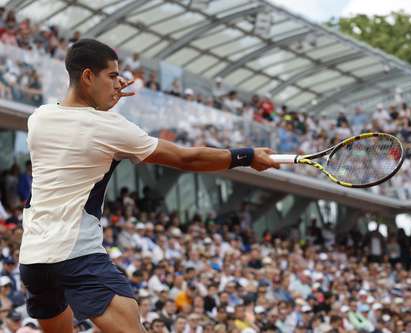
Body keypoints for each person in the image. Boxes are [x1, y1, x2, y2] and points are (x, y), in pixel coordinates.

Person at [18, 39, 280, 333]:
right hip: (76, 254)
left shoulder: (39, 118)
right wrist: (246, 156)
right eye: (113, 76)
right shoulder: (110, 127)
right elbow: (186, 158)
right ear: (88, 76)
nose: (119, 84)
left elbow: (80, 134)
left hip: (34, 259)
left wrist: (102, 107)